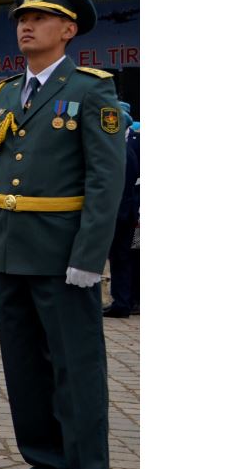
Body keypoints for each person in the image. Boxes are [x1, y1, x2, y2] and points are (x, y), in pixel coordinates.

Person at [0, 0, 124, 469]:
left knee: (74, 366)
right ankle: (44, 463)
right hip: (13, 249)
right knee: (23, 365)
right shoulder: (7, 93)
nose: (26, 26)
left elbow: (104, 183)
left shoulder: (91, 89)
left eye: (38, 18)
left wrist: (90, 258)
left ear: (68, 28)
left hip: (63, 256)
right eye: (21, 19)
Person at [103, 99, 140, 318]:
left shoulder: (126, 150)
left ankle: (125, 301)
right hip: (131, 214)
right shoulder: (128, 147)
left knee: (125, 256)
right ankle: (128, 300)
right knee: (127, 256)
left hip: (128, 216)